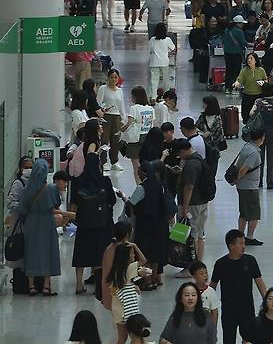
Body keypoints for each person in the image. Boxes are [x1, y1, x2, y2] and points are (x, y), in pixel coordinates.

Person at [72, 120, 114, 294]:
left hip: (84, 214)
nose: (103, 128)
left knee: (81, 247)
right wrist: (95, 155)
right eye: (100, 126)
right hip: (97, 214)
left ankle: (79, 283)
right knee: (98, 246)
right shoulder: (93, 145)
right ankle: (98, 282)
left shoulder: (80, 185)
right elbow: (91, 160)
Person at [210, 229, 267, 344]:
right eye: (240, 243)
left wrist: (266, 300)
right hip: (228, 311)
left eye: (244, 243)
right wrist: (207, 304)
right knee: (229, 339)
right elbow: (212, 286)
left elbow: (259, 281)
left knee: (249, 339)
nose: (244, 246)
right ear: (231, 246)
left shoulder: (250, 261)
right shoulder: (220, 264)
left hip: (247, 309)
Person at [19, 159, 63, 297]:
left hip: (31, 223)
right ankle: (46, 286)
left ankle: (31, 286)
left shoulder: (27, 189)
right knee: (48, 251)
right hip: (47, 223)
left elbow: (22, 208)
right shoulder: (51, 188)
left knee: (31, 252)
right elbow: (56, 204)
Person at [123, 160, 170, 289]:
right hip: (160, 223)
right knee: (156, 253)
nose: (137, 173)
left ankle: (147, 280)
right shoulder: (160, 185)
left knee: (145, 252)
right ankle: (155, 277)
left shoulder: (141, 188)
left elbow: (131, 204)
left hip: (145, 224)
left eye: (139, 171)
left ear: (144, 173)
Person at [177, 139, 210, 274]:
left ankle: (191, 268)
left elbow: (189, 186)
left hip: (192, 204)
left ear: (184, 150)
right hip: (202, 201)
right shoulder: (200, 159)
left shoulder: (191, 164)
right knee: (200, 234)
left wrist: (185, 208)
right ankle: (198, 264)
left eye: (179, 154)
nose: (180, 157)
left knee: (191, 236)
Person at [106, 242, 149, 344]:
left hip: (118, 309)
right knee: (136, 336)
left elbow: (115, 289)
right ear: (125, 257)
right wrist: (135, 245)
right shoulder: (130, 268)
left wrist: (132, 287)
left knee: (123, 337)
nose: (134, 255)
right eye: (132, 253)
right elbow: (144, 260)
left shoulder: (117, 271)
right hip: (129, 310)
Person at [235, 128, 265, 246]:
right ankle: (249, 237)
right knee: (254, 214)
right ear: (262, 138)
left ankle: (240, 235)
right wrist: (238, 178)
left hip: (243, 186)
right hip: (249, 186)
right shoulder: (253, 152)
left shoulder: (246, 146)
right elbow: (243, 169)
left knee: (244, 212)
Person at [120, 86, 155, 185]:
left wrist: (121, 129)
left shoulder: (134, 108)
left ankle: (139, 188)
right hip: (148, 139)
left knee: (136, 168)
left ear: (135, 97)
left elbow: (129, 123)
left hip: (136, 140)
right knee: (146, 165)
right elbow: (153, 123)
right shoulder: (150, 108)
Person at [98, 69, 126, 170]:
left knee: (115, 140)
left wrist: (123, 118)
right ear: (108, 78)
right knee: (104, 139)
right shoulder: (103, 89)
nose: (113, 79)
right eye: (111, 77)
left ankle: (114, 161)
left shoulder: (119, 91)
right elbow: (99, 103)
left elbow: (121, 105)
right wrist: (101, 112)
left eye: (115, 77)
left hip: (116, 117)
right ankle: (104, 161)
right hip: (106, 117)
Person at [233, 52, 268, 123]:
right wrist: (237, 83)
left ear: (255, 60)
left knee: (259, 116)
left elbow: (266, 80)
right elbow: (239, 80)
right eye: (248, 59)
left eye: (251, 58)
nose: (249, 60)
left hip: (259, 96)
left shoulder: (261, 70)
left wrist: (263, 82)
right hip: (247, 96)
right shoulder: (244, 70)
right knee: (246, 116)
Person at [147, 22, 176, 101]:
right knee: (165, 81)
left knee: (154, 80)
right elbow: (174, 49)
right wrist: (169, 54)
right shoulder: (167, 40)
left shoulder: (152, 40)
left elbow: (150, 50)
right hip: (164, 62)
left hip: (154, 62)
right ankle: (167, 96)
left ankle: (153, 97)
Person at [223, 15, 250, 94]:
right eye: (241, 23)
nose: (243, 25)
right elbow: (243, 42)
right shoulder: (239, 31)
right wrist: (249, 45)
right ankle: (234, 88)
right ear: (237, 23)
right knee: (236, 71)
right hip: (236, 54)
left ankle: (227, 88)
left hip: (227, 53)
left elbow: (223, 40)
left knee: (229, 70)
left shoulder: (227, 30)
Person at [6, 156, 33, 227]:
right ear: (21, 169)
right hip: (19, 221)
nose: (29, 170)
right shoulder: (18, 183)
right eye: (26, 168)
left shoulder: (34, 182)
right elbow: (10, 203)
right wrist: (24, 205)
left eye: (31, 167)